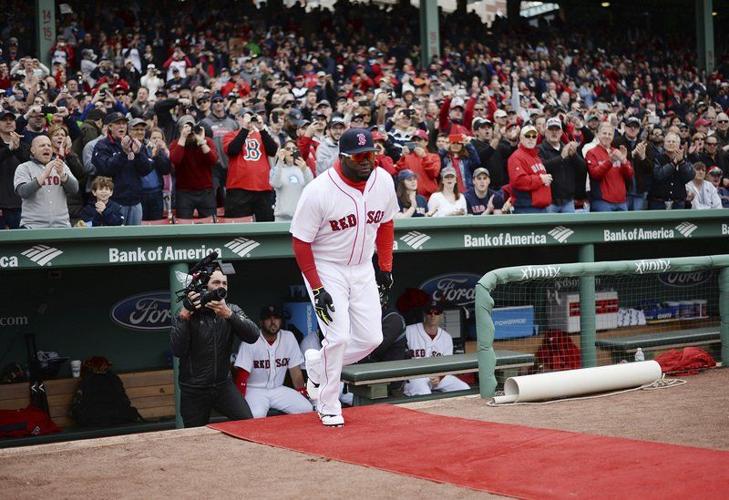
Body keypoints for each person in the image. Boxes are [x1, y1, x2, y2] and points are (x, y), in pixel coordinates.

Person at [290, 128, 398, 427]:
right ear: (343, 157)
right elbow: (300, 242)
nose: (367, 161)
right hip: (327, 265)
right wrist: (316, 285)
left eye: (371, 154)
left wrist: (385, 267)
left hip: (363, 266)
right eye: (359, 156)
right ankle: (327, 404)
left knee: (372, 338)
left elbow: (386, 223)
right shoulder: (319, 190)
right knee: (337, 338)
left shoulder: (383, 180)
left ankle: (316, 364)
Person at [170, 267, 260, 428]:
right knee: (194, 438)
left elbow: (253, 336)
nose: (221, 286)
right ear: (204, 286)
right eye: (216, 282)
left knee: (248, 424)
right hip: (194, 389)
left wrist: (229, 315)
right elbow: (178, 350)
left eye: (225, 283)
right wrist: (184, 317)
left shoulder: (231, 309)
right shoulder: (186, 312)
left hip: (222, 385)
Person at [232, 305, 313, 418]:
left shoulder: (288, 338)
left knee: (307, 408)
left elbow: (296, 373)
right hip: (255, 390)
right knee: (256, 415)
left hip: (278, 390)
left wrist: (302, 394)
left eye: (276, 318)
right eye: (268, 318)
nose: (273, 321)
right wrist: (239, 402)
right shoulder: (250, 339)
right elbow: (242, 376)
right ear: (261, 322)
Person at [91, 112, 154, 225]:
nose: (122, 126)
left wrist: (139, 154)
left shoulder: (135, 143)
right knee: (115, 238)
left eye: (124, 123)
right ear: (110, 126)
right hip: (114, 202)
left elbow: (147, 170)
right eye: (118, 123)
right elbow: (106, 168)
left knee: (135, 238)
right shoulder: (102, 145)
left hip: (135, 201)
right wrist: (123, 153)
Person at [403, 301, 470, 397]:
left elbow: (447, 365)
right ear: (424, 314)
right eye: (429, 312)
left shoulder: (446, 337)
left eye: (436, 312)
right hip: (415, 376)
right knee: (424, 393)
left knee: (464, 388)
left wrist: (440, 376)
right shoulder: (409, 331)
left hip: (437, 377)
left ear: (441, 315)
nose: (433, 315)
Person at [223, 109, 278, 221]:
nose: (248, 120)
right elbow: (232, 150)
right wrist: (244, 128)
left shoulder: (262, 135)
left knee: (264, 224)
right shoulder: (231, 135)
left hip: (262, 188)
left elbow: (273, 150)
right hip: (239, 188)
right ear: (238, 118)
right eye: (244, 116)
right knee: (239, 225)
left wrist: (262, 129)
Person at [14, 135, 79, 228]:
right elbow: (23, 192)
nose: (46, 148)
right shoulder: (24, 167)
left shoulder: (61, 166)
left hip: (61, 226)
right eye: (42, 145)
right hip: (33, 226)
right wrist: (44, 174)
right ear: (33, 150)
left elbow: (75, 189)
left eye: (49, 145)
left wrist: (62, 175)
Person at [169, 115, 218, 219]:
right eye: (185, 127)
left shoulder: (207, 141)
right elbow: (175, 161)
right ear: (180, 130)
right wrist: (182, 138)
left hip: (206, 191)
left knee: (210, 224)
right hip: (184, 192)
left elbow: (213, 160)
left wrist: (202, 142)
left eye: (191, 127)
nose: (189, 130)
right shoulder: (175, 144)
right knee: (183, 224)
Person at [538, 117, 585, 213]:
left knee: (570, 228)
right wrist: (561, 157)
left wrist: (574, 155)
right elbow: (542, 167)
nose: (554, 133)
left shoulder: (567, 148)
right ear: (546, 132)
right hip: (549, 201)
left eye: (557, 130)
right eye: (551, 130)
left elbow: (583, 169)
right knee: (550, 228)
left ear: (561, 133)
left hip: (568, 201)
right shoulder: (539, 149)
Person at [129, 118, 171, 220]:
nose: (140, 132)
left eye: (142, 129)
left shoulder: (151, 146)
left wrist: (157, 154)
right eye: (136, 129)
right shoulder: (127, 146)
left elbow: (166, 169)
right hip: (138, 194)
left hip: (156, 192)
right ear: (129, 131)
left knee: (157, 226)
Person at [586, 122, 633, 212]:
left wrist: (624, 161)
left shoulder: (617, 152)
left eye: (610, 134)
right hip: (602, 202)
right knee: (604, 226)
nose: (607, 136)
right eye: (604, 133)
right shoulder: (591, 152)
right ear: (598, 134)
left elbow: (629, 175)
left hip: (622, 201)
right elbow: (595, 174)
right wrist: (610, 161)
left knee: (624, 226)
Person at [508, 124, 552, 214]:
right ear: (521, 138)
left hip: (541, 207)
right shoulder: (516, 157)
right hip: (526, 207)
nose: (531, 138)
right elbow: (518, 181)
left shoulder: (536, 157)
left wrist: (546, 180)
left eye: (534, 136)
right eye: (527, 136)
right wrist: (541, 179)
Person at [0, 109, 30, 229]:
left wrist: (16, 149)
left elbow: (30, 166)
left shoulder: (24, 145)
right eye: (4, 120)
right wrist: (9, 149)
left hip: (21, 204)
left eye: (11, 120)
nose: (8, 122)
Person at [649, 132, 694, 210]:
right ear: (664, 144)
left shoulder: (684, 160)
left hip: (678, 203)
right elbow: (659, 175)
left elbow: (690, 176)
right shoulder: (656, 158)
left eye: (674, 142)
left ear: (679, 144)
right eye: (668, 141)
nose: (671, 143)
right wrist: (674, 163)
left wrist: (682, 162)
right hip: (658, 203)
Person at [395, 129, 441, 198]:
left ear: (426, 142)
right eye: (414, 140)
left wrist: (425, 157)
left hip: (430, 197)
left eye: (419, 140)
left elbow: (434, 174)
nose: (416, 142)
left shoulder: (434, 156)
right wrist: (402, 157)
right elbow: (399, 174)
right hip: (411, 196)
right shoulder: (407, 157)